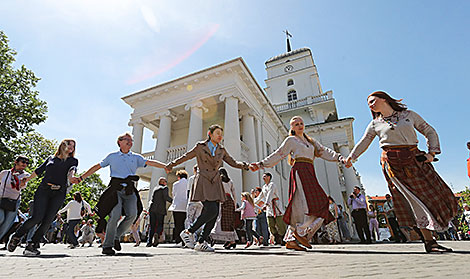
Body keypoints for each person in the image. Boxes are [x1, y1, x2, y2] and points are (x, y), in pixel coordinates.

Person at [345, 91, 459, 253]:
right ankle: (429, 241)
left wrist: (431, 153)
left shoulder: (408, 115)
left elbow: (429, 131)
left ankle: (435, 234)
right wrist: (351, 158)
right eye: (368, 103)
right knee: (412, 200)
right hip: (392, 163)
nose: (370, 104)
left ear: (384, 98)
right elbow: (364, 142)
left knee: (435, 194)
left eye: (372, 100)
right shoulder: (375, 124)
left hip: (415, 159)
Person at [250, 116, 342, 251]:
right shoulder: (291, 140)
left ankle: (293, 238)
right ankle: (299, 234)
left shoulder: (311, 141)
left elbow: (324, 151)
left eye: (301, 123)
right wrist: (261, 164)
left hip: (310, 172)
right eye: (296, 124)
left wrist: (340, 158)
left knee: (319, 204)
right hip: (300, 172)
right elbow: (279, 154)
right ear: (291, 128)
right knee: (303, 206)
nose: (300, 126)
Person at [76, 132, 167, 255]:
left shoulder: (136, 157)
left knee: (133, 214)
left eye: (131, 140)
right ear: (119, 142)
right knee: (115, 215)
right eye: (127, 139)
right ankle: (107, 246)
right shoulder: (112, 156)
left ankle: (116, 236)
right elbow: (98, 166)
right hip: (115, 189)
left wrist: (165, 166)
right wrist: (82, 177)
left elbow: (151, 163)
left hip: (129, 189)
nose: (130, 141)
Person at [167, 124, 250, 252]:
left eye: (221, 133)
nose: (220, 135)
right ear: (210, 134)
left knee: (215, 213)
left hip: (215, 182)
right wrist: (172, 164)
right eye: (217, 133)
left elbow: (232, 162)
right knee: (211, 209)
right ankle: (189, 232)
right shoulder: (200, 147)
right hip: (204, 180)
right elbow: (186, 156)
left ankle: (200, 242)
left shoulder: (221, 150)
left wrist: (246, 166)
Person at [8, 139, 78, 256]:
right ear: (62, 145)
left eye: (73, 146)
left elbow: (72, 171)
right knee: (37, 217)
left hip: (59, 192)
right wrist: (27, 179)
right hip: (44, 190)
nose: (71, 147)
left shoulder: (73, 160)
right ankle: (16, 237)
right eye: (69, 144)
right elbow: (38, 171)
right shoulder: (51, 158)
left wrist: (71, 178)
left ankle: (32, 244)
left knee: (48, 220)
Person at [0, 156, 30, 241]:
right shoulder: (4, 173)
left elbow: (21, 186)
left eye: (27, 163)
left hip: (14, 202)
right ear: (16, 162)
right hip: (1, 199)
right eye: (23, 161)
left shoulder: (26, 175)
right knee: (0, 218)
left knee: (7, 224)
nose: (25, 164)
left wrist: (22, 181)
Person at [210, 168, 238, 249]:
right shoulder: (230, 181)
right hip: (230, 201)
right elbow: (234, 194)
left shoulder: (219, 181)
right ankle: (230, 241)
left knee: (220, 220)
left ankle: (214, 237)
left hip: (222, 200)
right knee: (229, 221)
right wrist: (235, 205)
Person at [261, 172, 286, 245]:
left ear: (269, 177)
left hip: (276, 206)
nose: (263, 178)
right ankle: (276, 238)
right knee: (270, 224)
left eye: (264, 176)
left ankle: (283, 239)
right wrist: (253, 202)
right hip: (269, 207)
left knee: (280, 224)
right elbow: (261, 196)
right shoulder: (264, 187)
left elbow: (270, 194)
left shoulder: (272, 185)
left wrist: (266, 203)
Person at [147, 177, 172, 247]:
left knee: (152, 225)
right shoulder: (165, 188)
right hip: (160, 210)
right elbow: (166, 197)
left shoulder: (155, 188)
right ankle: (157, 234)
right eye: (165, 181)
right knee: (160, 224)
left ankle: (149, 242)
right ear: (163, 183)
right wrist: (173, 201)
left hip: (152, 209)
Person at [168, 170, 188, 245]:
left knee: (177, 224)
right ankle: (185, 240)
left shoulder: (175, 184)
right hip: (185, 205)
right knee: (185, 224)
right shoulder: (188, 183)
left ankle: (178, 240)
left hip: (177, 206)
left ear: (179, 177)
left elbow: (173, 195)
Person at [184, 166, 203, 239]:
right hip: (200, 202)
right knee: (197, 220)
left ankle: (190, 236)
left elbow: (188, 190)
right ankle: (197, 236)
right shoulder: (203, 179)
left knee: (189, 219)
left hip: (192, 201)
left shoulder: (192, 178)